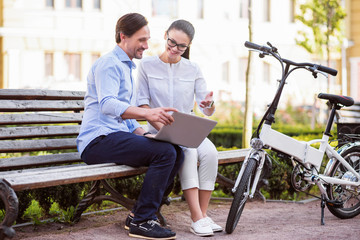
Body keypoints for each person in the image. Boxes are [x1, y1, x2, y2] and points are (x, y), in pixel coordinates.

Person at [76, 13, 184, 240]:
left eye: (147, 39)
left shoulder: (126, 67)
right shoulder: (109, 64)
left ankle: (140, 214)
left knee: (176, 151)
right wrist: (148, 112)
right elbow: (107, 105)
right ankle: (143, 221)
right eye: (141, 40)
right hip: (97, 141)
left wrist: (145, 133)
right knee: (165, 153)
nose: (146, 45)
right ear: (123, 37)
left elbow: (127, 117)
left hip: (113, 137)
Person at [136, 19, 222, 237]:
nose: (174, 49)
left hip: (188, 127)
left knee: (211, 153)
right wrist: (166, 129)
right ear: (165, 35)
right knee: (189, 151)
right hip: (159, 130)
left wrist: (208, 104)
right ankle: (196, 217)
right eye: (171, 42)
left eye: (181, 47)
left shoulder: (193, 68)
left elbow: (207, 109)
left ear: (189, 46)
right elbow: (142, 104)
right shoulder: (146, 66)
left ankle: (202, 215)